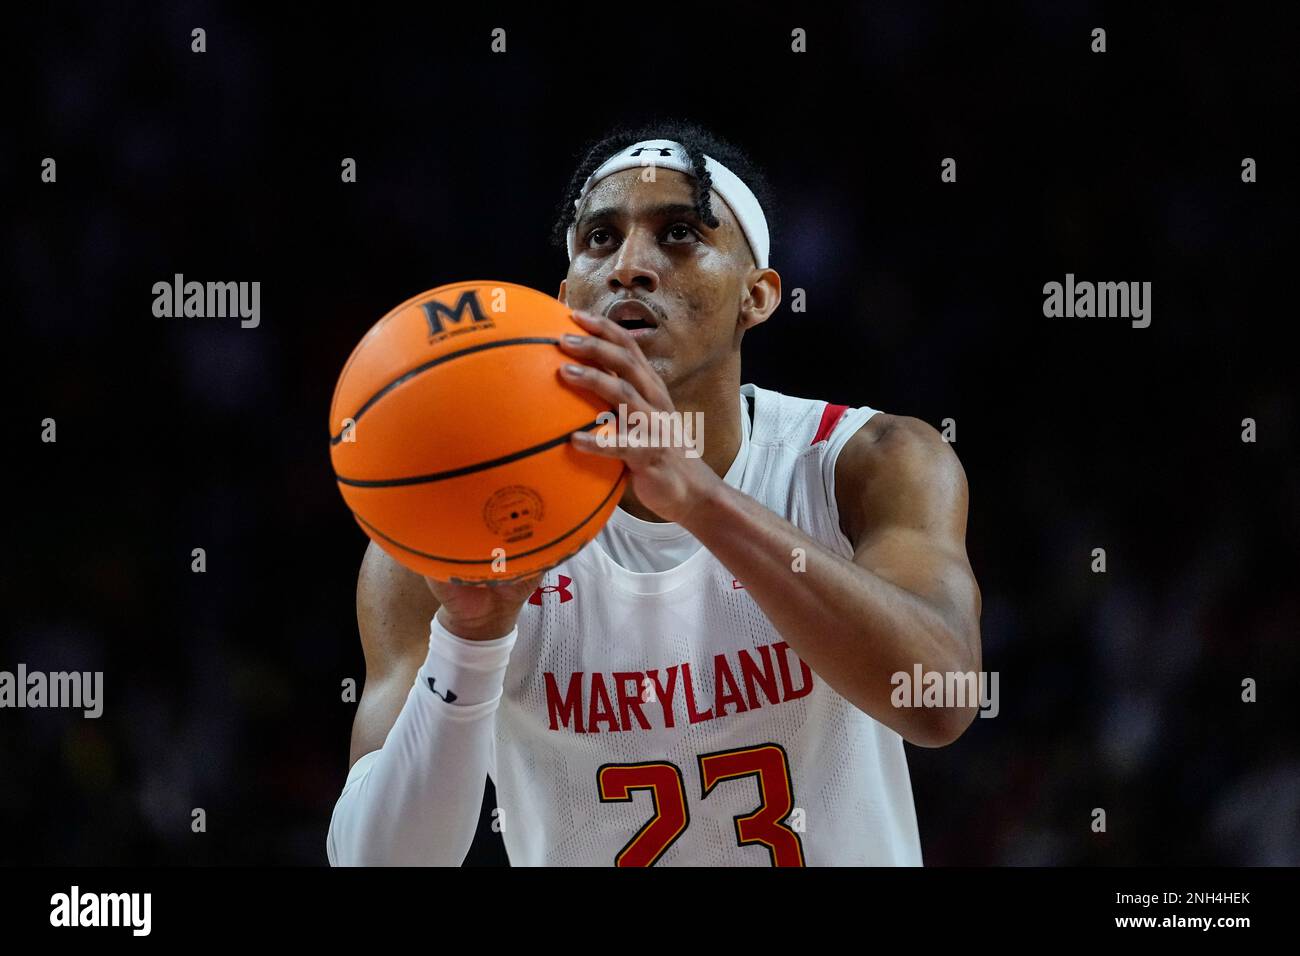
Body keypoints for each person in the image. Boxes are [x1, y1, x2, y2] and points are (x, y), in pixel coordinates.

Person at [327, 121, 982, 866]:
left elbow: (941, 700)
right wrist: (473, 639)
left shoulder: (867, 463)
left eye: (678, 234)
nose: (631, 266)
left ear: (758, 294)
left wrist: (701, 501)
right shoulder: (456, 528)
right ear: (565, 294)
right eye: (600, 239)